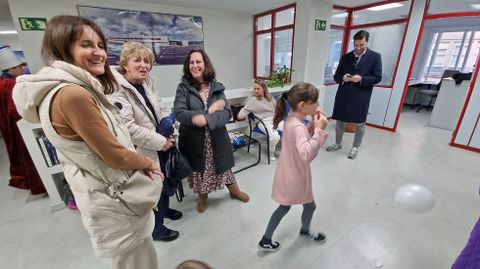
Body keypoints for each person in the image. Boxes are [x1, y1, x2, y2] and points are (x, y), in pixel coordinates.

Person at [12, 15, 161, 269]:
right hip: (115, 199)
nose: (98, 53)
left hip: (106, 192)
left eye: (101, 46)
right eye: (86, 45)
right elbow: (113, 153)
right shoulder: (73, 94)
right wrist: (148, 163)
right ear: (62, 47)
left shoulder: (72, 89)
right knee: (138, 261)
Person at [110, 41, 182, 242]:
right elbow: (129, 128)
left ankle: (165, 211)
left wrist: (169, 131)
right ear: (125, 64)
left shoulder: (147, 82)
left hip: (160, 142)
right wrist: (162, 141)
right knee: (152, 188)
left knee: (165, 179)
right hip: (144, 148)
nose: (144, 65)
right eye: (137, 60)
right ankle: (157, 229)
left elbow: (161, 109)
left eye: (147, 61)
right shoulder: (117, 89)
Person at [173, 49, 249, 213]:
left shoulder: (216, 87)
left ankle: (234, 191)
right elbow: (180, 113)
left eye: (198, 61)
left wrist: (206, 119)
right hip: (194, 142)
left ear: (205, 64)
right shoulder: (183, 89)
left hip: (217, 139)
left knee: (224, 167)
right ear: (188, 66)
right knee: (200, 172)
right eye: (191, 62)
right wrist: (208, 112)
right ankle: (203, 197)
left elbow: (226, 113)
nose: (195, 65)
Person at [258, 82, 329, 252]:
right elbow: (306, 154)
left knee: (307, 205)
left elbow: (301, 140)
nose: (317, 105)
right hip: (294, 177)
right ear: (303, 105)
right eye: (315, 102)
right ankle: (265, 239)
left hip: (290, 172)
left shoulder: (293, 118)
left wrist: (312, 125)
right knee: (287, 206)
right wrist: (319, 131)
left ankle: (303, 230)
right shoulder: (297, 125)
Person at [326, 30, 382, 159]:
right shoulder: (346, 57)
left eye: (361, 45)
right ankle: (338, 143)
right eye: (356, 45)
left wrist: (361, 79)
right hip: (343, 94)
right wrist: (343, 78)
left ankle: (355, 147)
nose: (358, 48)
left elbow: (377, 77)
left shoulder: (375, 57)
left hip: (361, 95)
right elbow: (336, 76)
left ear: (367, 42)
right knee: (340, 120)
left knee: (360, 123)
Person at [0, 46, 46, 195]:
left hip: (7, 126)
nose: (22, 69)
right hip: (19, 126)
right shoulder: (11, 84)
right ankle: (38, 182)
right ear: (11, 68)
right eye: (20, 67)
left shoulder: (2, 82)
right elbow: (16, 110)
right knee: (28, 153)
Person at [237, 79, 281, 161]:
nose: (256, 91)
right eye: (254, 89)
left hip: (275, 119)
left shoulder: (269, 97)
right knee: (275, 137)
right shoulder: (253, 101)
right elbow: (243, 112)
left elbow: (277, 108)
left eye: (258, 89)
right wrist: (241, 114)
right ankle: (271, 151)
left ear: (264, 89)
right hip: (264, 122)